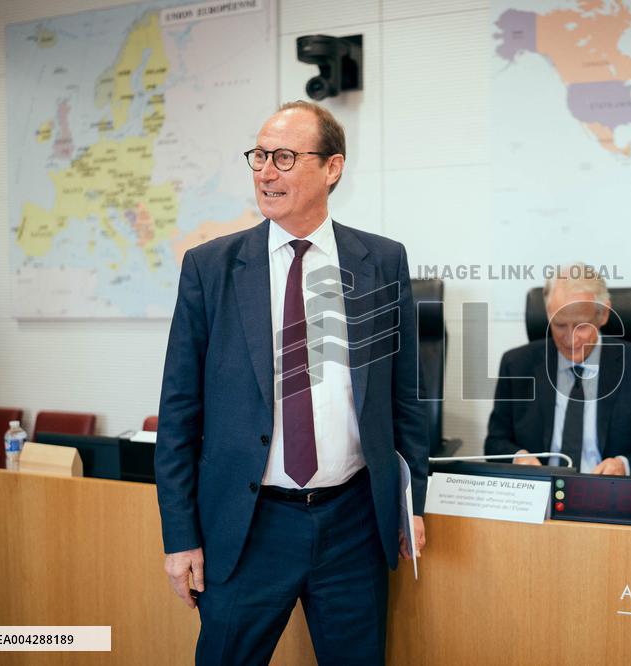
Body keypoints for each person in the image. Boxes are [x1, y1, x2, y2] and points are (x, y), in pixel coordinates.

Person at [155, 100, 429, 666]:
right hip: (248, 525)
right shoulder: (210, 267)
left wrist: (411, 503)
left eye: (283, 157)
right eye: (258, 156)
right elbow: (179, 410)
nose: (265, 171)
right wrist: (180, 536)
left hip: (353, 524)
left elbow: (405, 396)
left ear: (332, 168)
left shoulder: (381, 261)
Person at [484, 266, 631, 477]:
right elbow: (495, 443)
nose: (571, 338)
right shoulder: (516, 365)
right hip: (538, 495)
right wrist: (518, 457)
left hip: (608, 495)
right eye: (560, 325)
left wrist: (624, 466)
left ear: (603, 314)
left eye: (582, 326)